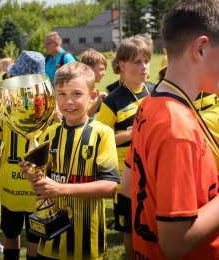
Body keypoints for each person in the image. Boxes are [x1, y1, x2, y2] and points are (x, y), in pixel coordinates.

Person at [120, 0, 219, 259]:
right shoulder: (178, 128)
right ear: (200, 49)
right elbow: (175, 244)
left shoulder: (150, 102)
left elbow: (127, 186)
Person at [19, 61, 120, 260]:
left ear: (92, 97)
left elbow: (109, 187)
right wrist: (33, 174)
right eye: (62, 94)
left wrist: (60, 189)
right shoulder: (48, 133)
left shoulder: (102, 133)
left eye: (76, 94)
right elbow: (42, 181)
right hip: (50, 242)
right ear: (54, 96)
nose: (68, 101)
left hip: (87, 243)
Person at [97, 37, 154, 260]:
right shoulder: (112, 101)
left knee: (152, 224)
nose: (144, 67)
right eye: (137, 62)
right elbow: (101, 139)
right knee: (130, 229)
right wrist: (132, 134)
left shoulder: (154, 90)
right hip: (125, 177)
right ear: (122, 65)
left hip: (154, 171)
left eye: (146, 61)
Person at [0, 50, 46, 260]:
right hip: (38, 184)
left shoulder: (3, 107)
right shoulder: (49, 108)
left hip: (10, 184)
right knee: (34, 237)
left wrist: (3, 172)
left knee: (10, 234)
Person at [80, 48, 108, 119]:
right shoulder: (81, 91)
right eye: (101, 69)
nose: (104, 73)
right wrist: (97, 103)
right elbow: (84, 118)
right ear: (89, 69)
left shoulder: (95, 89)